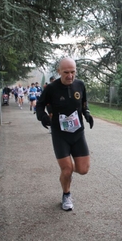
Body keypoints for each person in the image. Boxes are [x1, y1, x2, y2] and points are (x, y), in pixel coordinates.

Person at [36, 57, 94, 211]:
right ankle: (66, 194)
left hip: (77, 133)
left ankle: (66, 171)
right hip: (60, 134)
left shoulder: (80, 84)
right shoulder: (51, 88)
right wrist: (42, 117)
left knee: (83, 169)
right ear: (59, 71)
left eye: (73, 72)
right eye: (66, 72)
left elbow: (84, 103)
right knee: (67, 170)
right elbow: (40, 105)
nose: (70, 76)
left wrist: (87, 114)